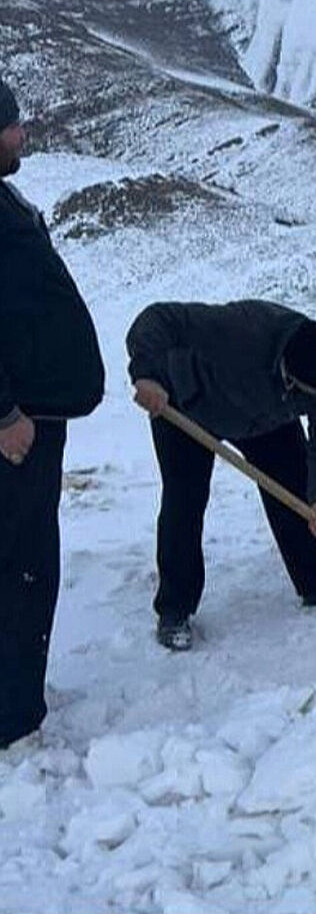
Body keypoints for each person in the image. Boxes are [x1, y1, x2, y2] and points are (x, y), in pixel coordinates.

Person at [126, 300, 316, 651]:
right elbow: (157, 319)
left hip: (265, 417)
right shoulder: (242, 330)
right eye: (315, 395)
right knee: (185, 499)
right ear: (291, 375)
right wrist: (147, 374)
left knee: (296, 485)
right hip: (186, 403)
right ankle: (174, 609)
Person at [0, 77, 105, 748]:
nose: (21, 134)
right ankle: (12, 717)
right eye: (11, 125)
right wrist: (4, 411)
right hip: (17, 423)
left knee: (27, 556)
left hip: (36, 411)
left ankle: (17, 698)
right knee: (20, 561)